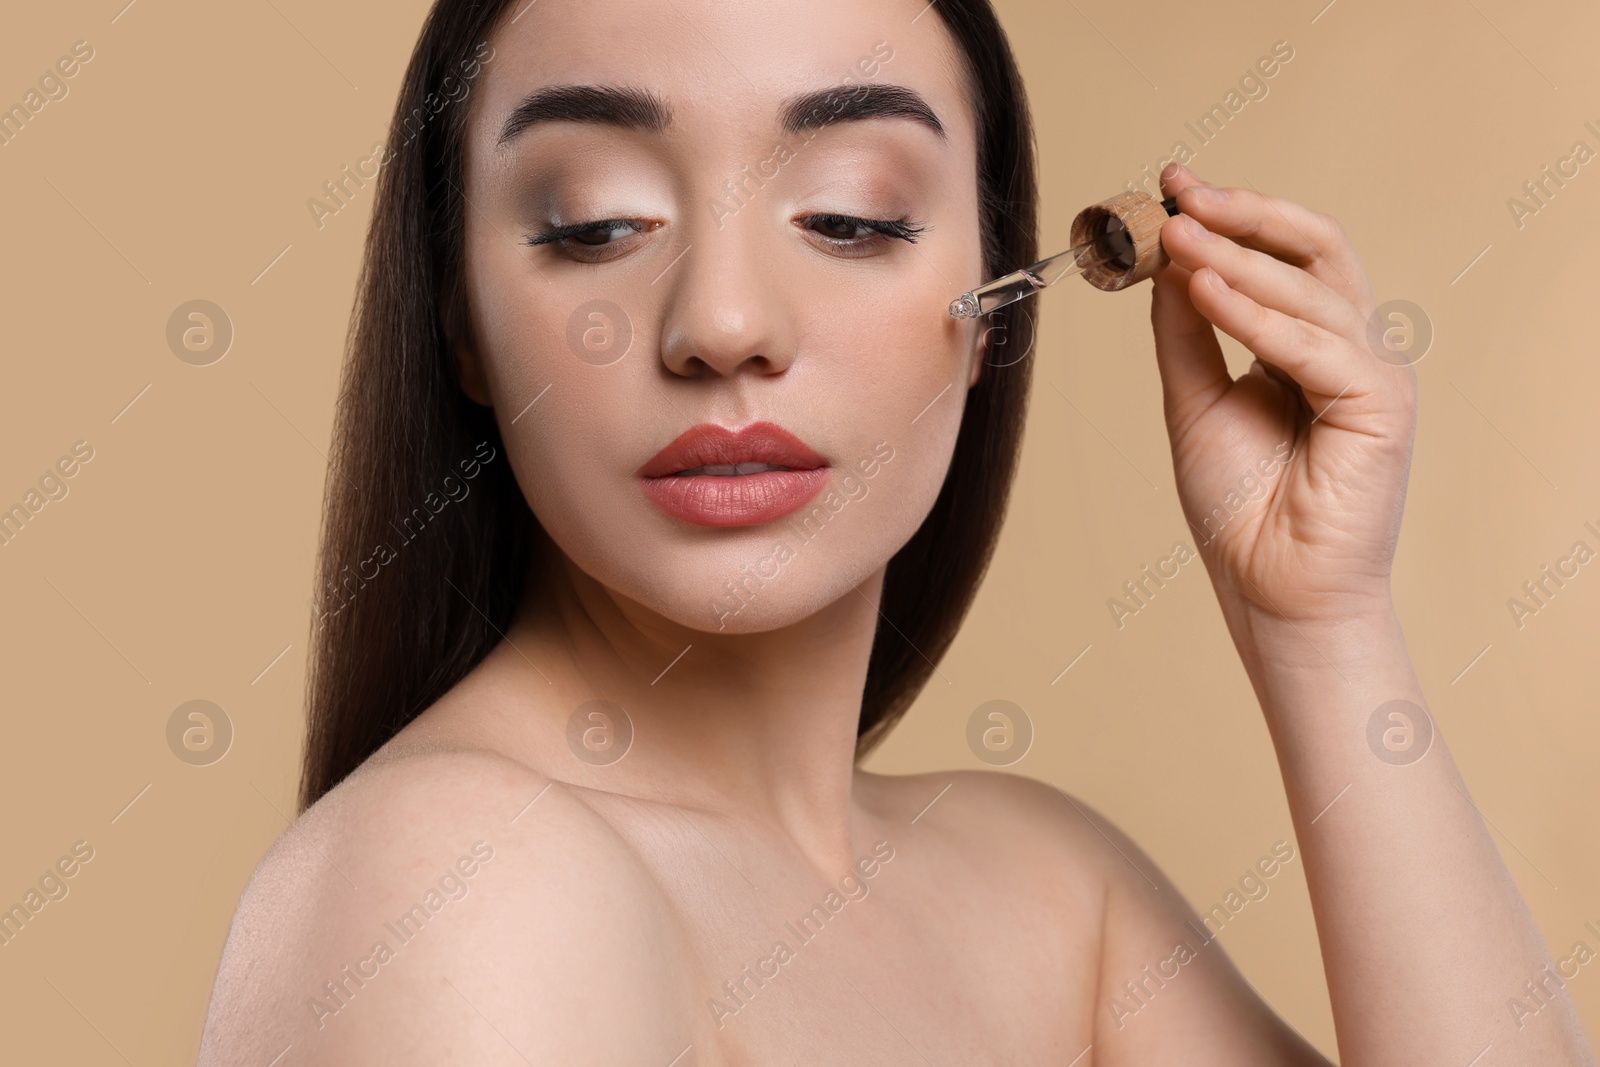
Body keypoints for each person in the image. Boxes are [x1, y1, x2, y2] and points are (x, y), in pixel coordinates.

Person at [198, 0, 1596, 1063]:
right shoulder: (459, 885)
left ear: (997, 304)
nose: (724, 326)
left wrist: (1323, 628)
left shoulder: (1049, 892)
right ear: (457, 320)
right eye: (597, 222)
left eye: (852, 219)